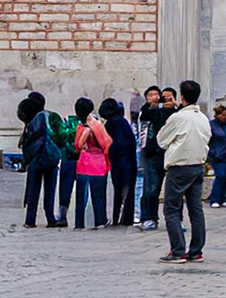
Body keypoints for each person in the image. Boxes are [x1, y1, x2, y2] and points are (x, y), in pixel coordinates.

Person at [156, 79, 210, 263]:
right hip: (197, 165)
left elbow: (161, 140)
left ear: (182, 97)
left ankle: (178, 250)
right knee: (196, 209)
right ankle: (196, 250)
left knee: (171, 209)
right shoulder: (203, 118)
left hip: (179, 167)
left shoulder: (178, 118)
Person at [18, 97, 63, 228]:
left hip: (36, 159)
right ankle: (51, 218)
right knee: (50, 190)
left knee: (33, 190)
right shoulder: (51, 116)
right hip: (51, 158)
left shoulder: (32, 122)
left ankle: (30, 220)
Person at [72, 97, 111, 229]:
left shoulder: (80, 126)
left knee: (81, 197)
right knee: (98, 196)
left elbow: (77, 146)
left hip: (83, 164)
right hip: (98, 164)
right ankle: (99, 221)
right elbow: (106, 144)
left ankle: (80, 223)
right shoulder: (97, 125)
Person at [100, 98, 138, 227]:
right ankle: (126, 218)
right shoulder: (123, 122)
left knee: (119, 190)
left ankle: (118, 218)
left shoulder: (112, 123)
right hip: (130, 161)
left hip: (119, 162)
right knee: (128, 190)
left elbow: (111, 144)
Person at [136, 86, 168, 230]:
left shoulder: (163, 112)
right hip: (150, 153)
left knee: (159, 187)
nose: (154, 97)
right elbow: (145, 119)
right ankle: (147, 217)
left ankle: (154, 216)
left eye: (157, 94)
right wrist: (154, 107)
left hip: (163, 153)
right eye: (151, 95)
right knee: (150, 188)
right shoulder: (145, 111)